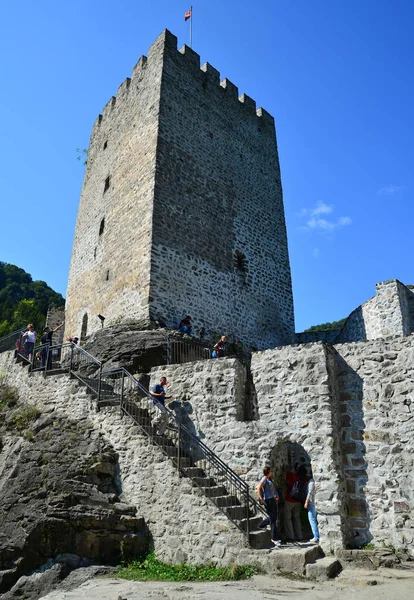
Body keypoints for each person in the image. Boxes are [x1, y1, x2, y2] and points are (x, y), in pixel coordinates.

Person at [256, 465, 281, 547]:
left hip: (272, 499)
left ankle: (261, 524)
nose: (272, 472)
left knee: (273, 517)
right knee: (273, 518)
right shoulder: (264, 479)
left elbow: (271, 489)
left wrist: (275, 495)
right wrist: (261, 498)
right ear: (268, 472)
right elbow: (258, 488)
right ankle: (274, 538)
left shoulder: (269, 479)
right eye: (271, 471)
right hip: (268, 500)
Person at [284, 464, 307, 542]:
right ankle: (299, 536)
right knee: (297, 518)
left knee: (288, 518)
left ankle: (291, 537)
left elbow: (287, 474)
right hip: (298, 501)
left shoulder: (292, 476)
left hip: (289, 499)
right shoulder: (304, 479)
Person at [304, 470, 320, 544]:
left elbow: (309, 492)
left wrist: (306, 502)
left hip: (311, 502)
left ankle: (316, 537)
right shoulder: (316, 481)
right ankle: (317, 536)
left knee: (312, 519)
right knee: (315, 519)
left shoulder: (311, 482)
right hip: (316, 502)